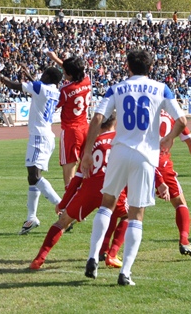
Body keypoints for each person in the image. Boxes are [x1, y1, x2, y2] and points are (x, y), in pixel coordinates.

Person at [81, 49, 187, 286]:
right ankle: (125, 272)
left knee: (106, 204)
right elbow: (182, 121)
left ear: (127, 65)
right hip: (144, 157)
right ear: (150, 67)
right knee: (136, 214)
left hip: (118, 151)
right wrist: (169, 138)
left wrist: (87, 152)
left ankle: (92, 256)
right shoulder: (161, 88)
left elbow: (98, 118)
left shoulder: (116, 88)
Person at [29, 115, 129, 270]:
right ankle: (112, 254)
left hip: (88, 190)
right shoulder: (121, 140)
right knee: (127, 216)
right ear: (115, 122)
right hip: (111, 189)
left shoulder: (90, 145)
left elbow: (77, 178)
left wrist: (62, 204)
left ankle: (39, 258)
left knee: (62, 222)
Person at [0, 65, 64, 234]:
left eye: (43, 74)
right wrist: (28, 75)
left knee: (34, 176)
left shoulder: (39, 87)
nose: (40, 76)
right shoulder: (54, 91)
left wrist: (2, 78)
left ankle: (63, 207)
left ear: (48, 77)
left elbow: (16, 86)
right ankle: (31, 218)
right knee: (33, 178)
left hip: (38, 137)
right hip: (47, 135)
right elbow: (38, 84)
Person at [157, 109, 191, 258]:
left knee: (125, 207)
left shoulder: (143, 112)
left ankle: (105, 249)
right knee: (180, 203)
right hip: (161, 162)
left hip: (137, 162)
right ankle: (184, 241)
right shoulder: (174, 117)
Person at [47, 51, 92, 188]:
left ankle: (69, 202)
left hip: (72, 131)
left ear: (69, 74)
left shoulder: (65, 90)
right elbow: (74, 71)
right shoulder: (87, 80)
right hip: (86, 128)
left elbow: (53, 107)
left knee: (69, 171)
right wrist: (55, 59)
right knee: (85, 170)